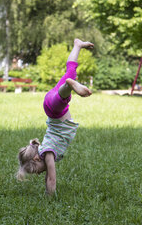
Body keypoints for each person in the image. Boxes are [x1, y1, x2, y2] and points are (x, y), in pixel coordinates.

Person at [17, 39, 94, 195]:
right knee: (71, 71)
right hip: (51, 104)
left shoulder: (48, 153)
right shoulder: (45, 150)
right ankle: (77, 45)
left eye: (36, 171)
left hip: (54, 109)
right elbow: (48, 177)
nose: (38, 173)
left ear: (36, 159)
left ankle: (69, 84)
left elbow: (52, 178)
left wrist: (49, 198)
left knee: (64, 93)